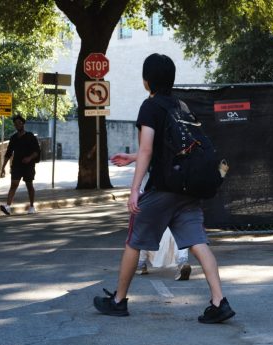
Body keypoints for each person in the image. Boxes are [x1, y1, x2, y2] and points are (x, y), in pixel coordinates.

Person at [93, 53, 235, 324]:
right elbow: (171, 148)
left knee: (134, 242)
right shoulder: (181, 105)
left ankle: (118, 300)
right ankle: (219, 301)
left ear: (147, 81)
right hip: (188, 188)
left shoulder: (150, 106)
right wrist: (134, 157)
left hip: (162, 189)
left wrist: (135, 189)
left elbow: (148, 147)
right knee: (198, 242)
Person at [0, 115, 41, 215]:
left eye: (19, 123)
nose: (17, 125)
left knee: (29, 185)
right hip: (17, 165)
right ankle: (8, 207)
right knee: (14, 184)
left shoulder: (30, 136)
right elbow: (8, 153)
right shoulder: (13, 138)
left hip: (28, 166)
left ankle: (31, 206)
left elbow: (37, 151)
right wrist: (3, 167)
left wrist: (29, 158)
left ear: (23, 124)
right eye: (15, 124)